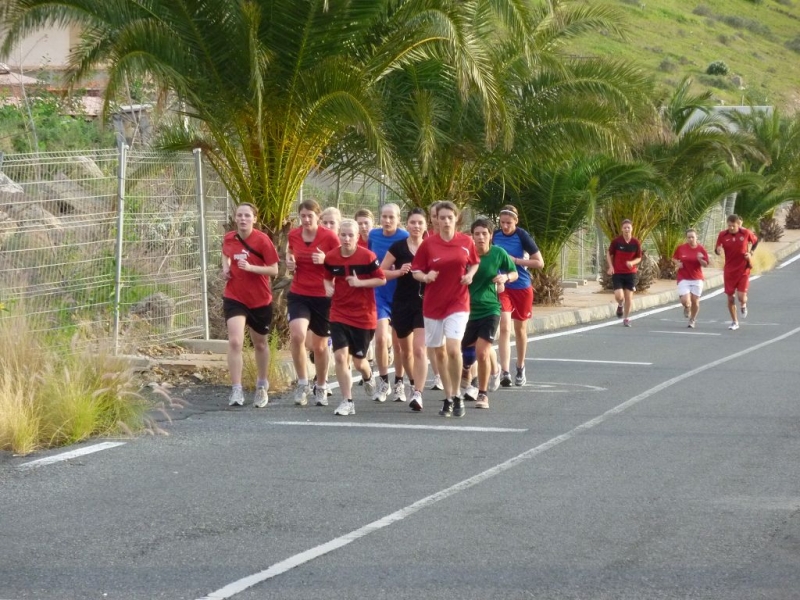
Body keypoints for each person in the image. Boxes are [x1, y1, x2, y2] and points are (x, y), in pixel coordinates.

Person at [412, 201, 479, 417]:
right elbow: (416, 271)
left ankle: (458, 393)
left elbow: (475, 262)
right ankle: (449, 396)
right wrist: (426, 276)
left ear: (456, 219)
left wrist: (470, 275)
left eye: (450, 217)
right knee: (438, 351)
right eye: (442, 218)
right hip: (433, 304)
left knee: (452, 348)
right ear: (436, 220)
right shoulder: (428, 244)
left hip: (458, 302)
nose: (446, 221)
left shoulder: (466, 241)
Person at [323, 219, 385, 416]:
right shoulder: (331, 257)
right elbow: (326, 276)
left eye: (351, 235)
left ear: (358, 237)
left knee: (359, 362)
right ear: (338, 235)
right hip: (339, 312)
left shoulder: (367, 256)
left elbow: (381, 279)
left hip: (364, 315)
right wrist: (327, 286)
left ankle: (368, 376)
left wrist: (359, 283)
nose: (347, 239)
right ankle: (347, 401)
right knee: (341, 357)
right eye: (343, 235)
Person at [221, 203, 280, 407]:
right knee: (235, 342)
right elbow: (225, 254)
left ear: (254, 218)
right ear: (235, 218)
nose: (243, 219)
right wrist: (225, 267)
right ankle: (236, 390)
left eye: (247, 215)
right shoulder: (229, 238)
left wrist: (252, 268)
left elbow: (274, 270)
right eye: (239, 215)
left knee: (260, 343)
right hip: (235, 296)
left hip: (260, 299)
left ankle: (262, 385)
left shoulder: (263, 240)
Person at [285, 200, 340, 406]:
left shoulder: (329, 236)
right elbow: (290, 254)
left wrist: (326, 259)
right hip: (299, 293)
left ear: (318, 217)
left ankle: (322, 385)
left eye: (310, 216)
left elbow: (340, 262)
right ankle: (302, 383)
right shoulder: (293, 235)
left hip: (322, 295)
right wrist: (289, 261)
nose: (306, 220)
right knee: (298, 334)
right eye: (303, 216)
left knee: (320, 346)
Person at [462, 218, 517, 409]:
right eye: (476, 234)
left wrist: (505, 277)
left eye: (484, 233)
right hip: (466, 310)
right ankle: (467, 368)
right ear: (472, 236)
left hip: (490, 309)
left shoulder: (498, 253)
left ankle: (483, 394)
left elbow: (514, 272)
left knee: (483, 352)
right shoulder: (465, 254)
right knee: (464, 353)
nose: (480, 237)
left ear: (491, 236)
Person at [380, 208, 428, 411]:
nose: (416, 226)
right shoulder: (398, 247)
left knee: (419, 349)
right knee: (405, 351)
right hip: (401, 303)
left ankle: (418, 392)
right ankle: (411, 381)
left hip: (425, 303)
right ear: (406, 225)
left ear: (425, 226)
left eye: (420, 222)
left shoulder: (431, 247)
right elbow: (380, 272)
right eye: (413, 222)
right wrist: (399, 272)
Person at [491, 205, 544, 387]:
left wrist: (516, 261)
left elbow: (539, 262)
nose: (505, 226)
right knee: (504, 325)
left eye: (508, 223)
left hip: (521, 285)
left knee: (520, 329)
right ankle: (505, 371)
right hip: (502, 285)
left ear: (516, 221)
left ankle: (520, 366)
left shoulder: (522, 236)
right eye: (502, 222)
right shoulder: (494, 235)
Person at [368, 203, 409, 402]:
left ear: (398, 219)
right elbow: (368, 260)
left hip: (401, 294)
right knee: (381, 339)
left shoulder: (405, 237)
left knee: (399, 343)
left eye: (391, 217)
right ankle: (384, 382)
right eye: (384, 216)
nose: (387, 221)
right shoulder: (373, 236)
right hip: (379, 294)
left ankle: (399, 382)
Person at [715, 214, 758, 331]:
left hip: (743, 269)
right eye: (729, 226)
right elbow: (717, 248)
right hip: (729, 270)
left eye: (733, 226)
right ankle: (734, 321)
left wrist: (751, 253)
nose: (731, 228)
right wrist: (718, 251)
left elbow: (755, 241)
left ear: (738, 224)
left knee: (741, 297)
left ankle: (743, 306)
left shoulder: (745, 233)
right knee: (730, 298)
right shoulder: (723, 235)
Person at [606, 219, 642, 327]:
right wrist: (611, 266)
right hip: (618, 273)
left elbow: (639, 258)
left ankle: (626, 318)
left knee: (629, 298)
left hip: (630, 273)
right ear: (622, 229)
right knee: (619, 296)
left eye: (628, 227)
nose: (627, 229)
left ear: (632, 229)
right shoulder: (617, 242)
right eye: (625, 227)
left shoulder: (636, 242)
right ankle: (620, 304)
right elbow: (609, 253)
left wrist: (632, 262)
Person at [672, 228, 709, 329]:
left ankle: (692, 319)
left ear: (696, 237)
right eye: (688, 237)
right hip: (683, 277)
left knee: (695, 301)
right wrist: (677, 263)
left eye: (692, 237)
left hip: (697, 278)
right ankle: (687, 307)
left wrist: (700, 259)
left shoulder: (701, 249)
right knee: (686, 300)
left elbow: (706, 264)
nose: (691, 239)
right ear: (686, 238)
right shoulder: (681, 248)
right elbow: (674, 258)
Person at [425, 201, 444, 392]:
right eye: (433, 216)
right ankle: (438, 375)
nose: (437, 219)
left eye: (441, 215)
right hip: (430, 293)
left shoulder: (459, 239)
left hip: (453, 295)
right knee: (432, 339)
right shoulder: (426, 239)